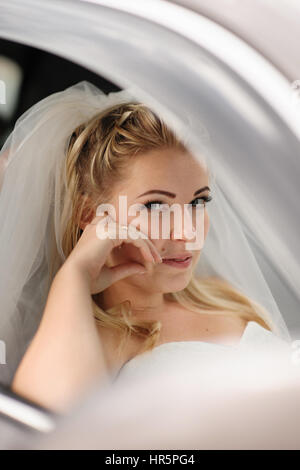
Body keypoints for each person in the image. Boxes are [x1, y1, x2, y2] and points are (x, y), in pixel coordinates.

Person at [0, 81, 291, 414]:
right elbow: (42, 433)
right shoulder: (98, 345)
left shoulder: (228, 297)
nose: (187, 232)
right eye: (155, 206)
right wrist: (75, 277)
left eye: (198, 201)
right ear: (91, 215)